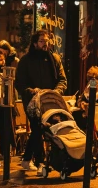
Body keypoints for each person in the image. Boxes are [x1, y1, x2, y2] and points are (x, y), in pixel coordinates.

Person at [14, 29, 67, 175]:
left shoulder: (54, 58)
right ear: (35, 43)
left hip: (51, 101)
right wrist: (32, 91)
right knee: (38, 128)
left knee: (46, 129)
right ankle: (40, 162)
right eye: (42, 41)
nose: (45, 44)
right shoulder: (25, 61)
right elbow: (20, 83)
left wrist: (56, 92)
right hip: (32, 102)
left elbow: (62, 79)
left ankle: (27, 159)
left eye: (47, 41)